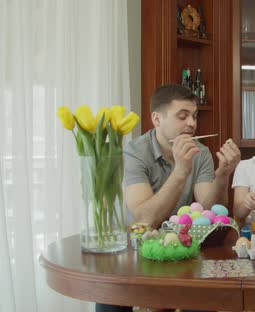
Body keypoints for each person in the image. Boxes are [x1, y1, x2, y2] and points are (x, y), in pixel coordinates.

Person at [96, 84, 240, 312]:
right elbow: (144, 219)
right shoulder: (134, 153)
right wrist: (181, 171)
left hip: (182, 249)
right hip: (135, 251)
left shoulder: (200, 152)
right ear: (157, 119)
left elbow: (210, 211)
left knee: (204, 300)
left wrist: (223, 176)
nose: (192, 123)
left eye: (194, 116)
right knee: (108, 297)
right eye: (182, 116)